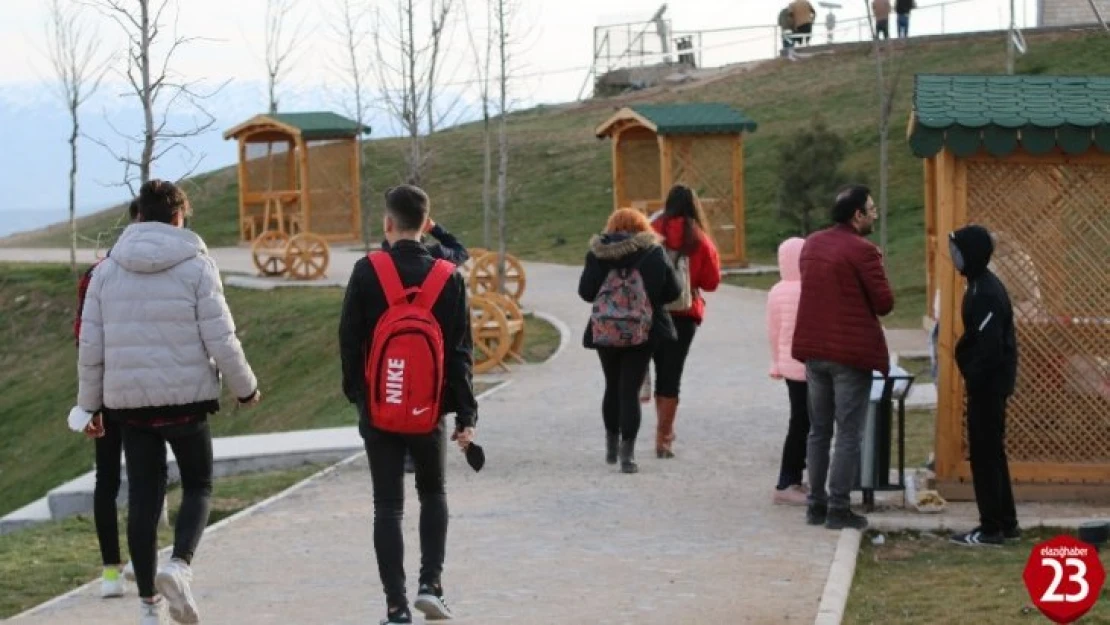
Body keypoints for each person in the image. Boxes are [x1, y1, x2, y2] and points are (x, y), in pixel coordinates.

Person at [77, 179, 261, 625]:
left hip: (129, 407)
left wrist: (89, 408)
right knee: (198, 484)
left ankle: (147, 607)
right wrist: (245, 387)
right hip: (187, 401)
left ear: (139, 216)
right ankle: (178, 565)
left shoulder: (104, 272)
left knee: (143, 494)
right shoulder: (198, 265)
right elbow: (221, 337)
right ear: (179, 217)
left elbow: (91, 348)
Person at [339, 184, 478, 625]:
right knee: (433, 493)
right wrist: (465, 415)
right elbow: (460, 354)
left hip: (380, 408)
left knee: (387, 506)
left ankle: (396, 607)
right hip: (428, 411)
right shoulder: (449, 276)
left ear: (388, 223)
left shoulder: (367, 271)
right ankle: (431, 585)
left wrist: (360, 397)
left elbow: (348, 341)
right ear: (426, 223)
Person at [792, 185, 894, 531]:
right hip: (849, 353)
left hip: (813, 349)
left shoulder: (812, 244)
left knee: (818, 431)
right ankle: (838, 507)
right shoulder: (863, 251)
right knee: (848, 432)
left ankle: (815, 504)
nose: (875, 214)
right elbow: (884, 304)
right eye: (872, 208)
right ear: (857, 216)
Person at [578, 208, 680, 474]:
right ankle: (628, 455)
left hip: (605, 331)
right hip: (642, 331)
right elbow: (673, 291)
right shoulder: (653, 252)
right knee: (629, 390)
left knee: (611, 385)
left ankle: (611, 448)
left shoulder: (597, 253)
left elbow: (586, 292)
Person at [75, 199, 140, 598]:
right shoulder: (161, 274)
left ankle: (112, 573)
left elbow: (83, 338)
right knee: (144, 477)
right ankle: (134, 562)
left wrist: (88, 400)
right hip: (144, 392)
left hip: (105, 387)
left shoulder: (97, 274)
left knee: (108, 480)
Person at [946, 225, 1020, 547]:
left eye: (959, 251)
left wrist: (972, 373)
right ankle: (1007, 523)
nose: (954, 258)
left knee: (984, 455)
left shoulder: (986, 292)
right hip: (987, 384)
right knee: (992, 453)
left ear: (973, 253)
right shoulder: (976, 286)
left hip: (989, 386)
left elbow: (989, 347)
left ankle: (991, 529)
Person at [650, 184, 721, 459]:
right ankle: (664, 437)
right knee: (672, 374)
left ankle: (661, 431)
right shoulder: (699, 237)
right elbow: (712, 282)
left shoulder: (652, 231)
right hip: (684, 314)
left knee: (658, 370)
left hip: (654, 312)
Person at [765, 237, 810, 506]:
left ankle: (792, 478)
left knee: (799, 421)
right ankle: (787, 482)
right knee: (809, 424)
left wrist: (776, 362)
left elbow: (773, 332)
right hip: (810, 363)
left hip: (789, 364)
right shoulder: (812, 288)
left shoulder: (776, 290)